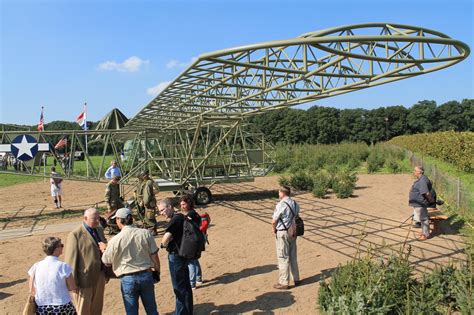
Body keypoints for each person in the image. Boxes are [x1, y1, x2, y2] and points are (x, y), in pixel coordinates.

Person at [102, 208, 160, 315]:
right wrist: (157, 272)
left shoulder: (115, 239)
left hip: (127, 279)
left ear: (119, 220)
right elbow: (155, 256)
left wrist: (104, 249)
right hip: (146, 275)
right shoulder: (145, 233)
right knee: (152, 310)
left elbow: (106, 260)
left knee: (131, 311)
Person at [64, 208, 108, 315]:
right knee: (83, 310)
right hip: (84, 280)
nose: (97, 221)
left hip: (99, 276)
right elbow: (71, 260)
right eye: (94, 218)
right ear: (85, 218)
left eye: (99, 218)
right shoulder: (75, 235)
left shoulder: (99, 230)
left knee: (97, 308)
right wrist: (73, 284)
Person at [159, 197, 193, 315]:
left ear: (170, 207)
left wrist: (163, 244)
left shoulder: (175, 219)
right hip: (183, 254)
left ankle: (180, 312)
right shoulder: (181, 217)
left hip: (176, 256)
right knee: (185, 285)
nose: (161, 213)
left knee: (178, 287)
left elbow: (166, 237)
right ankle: (188, 311)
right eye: (160, 211)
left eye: (163, 210)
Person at [27, 236, 77, 314]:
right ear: (56, 249)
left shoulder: (36, 266)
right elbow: (72, 287)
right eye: (61, 245)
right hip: (62, 305)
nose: (62, 247)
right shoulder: (63, 266)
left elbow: (31, 289)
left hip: (42, 306)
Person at [271, 185, 301, 290]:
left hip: (282, 232)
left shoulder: (281, 204)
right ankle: (296, 279)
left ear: (282, 193)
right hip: (293, 232)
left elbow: (274, 220)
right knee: (293, 256)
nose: (278, 193)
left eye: (279, 192)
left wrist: (273, 229)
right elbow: (296, 215)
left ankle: (284, 282)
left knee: (283, 257)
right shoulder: (295, 203)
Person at [179, 195, 203, 290]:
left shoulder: (190, 215)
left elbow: (186, 224)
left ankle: (192, 283)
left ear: (189, 203)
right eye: (181, 204)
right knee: (194, 260)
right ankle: (198, 278)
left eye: (184, 204)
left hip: (192, 241)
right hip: (197, 240)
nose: (182, 206)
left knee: (190, 262)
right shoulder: (194, 213)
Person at [409, 166, 435, 241]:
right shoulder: (421, 179)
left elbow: (426, 192)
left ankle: (425, 234)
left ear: (420, 172)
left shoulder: (423, 180)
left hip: (420, 202)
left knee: (423, 219)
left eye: (415, 170)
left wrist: (431, 200)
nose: (414, 172)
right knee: (422, 218)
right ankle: (424, 232)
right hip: (418, 202)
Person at [138, 171, 159, 235]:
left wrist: (145, 202)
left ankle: (152, 230)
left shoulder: (149, 182)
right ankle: (150, 229)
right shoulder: (145, 182)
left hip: (149, 202)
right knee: (148, 216)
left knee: (150, 216)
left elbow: (149, 193)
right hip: (147, 201)